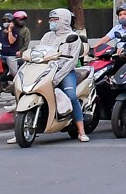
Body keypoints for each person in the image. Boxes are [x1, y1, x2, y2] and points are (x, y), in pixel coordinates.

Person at [34, 7, 91, 142]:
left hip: (65, 72)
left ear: (64, 20)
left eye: (55, 20)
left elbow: (71, 62)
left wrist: (58, 76)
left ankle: (81, 131)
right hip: (47, 72)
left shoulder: (74, 38)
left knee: (71, 97)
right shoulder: (47, 36)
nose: (51, 22)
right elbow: (40, 52)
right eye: (51, 20)